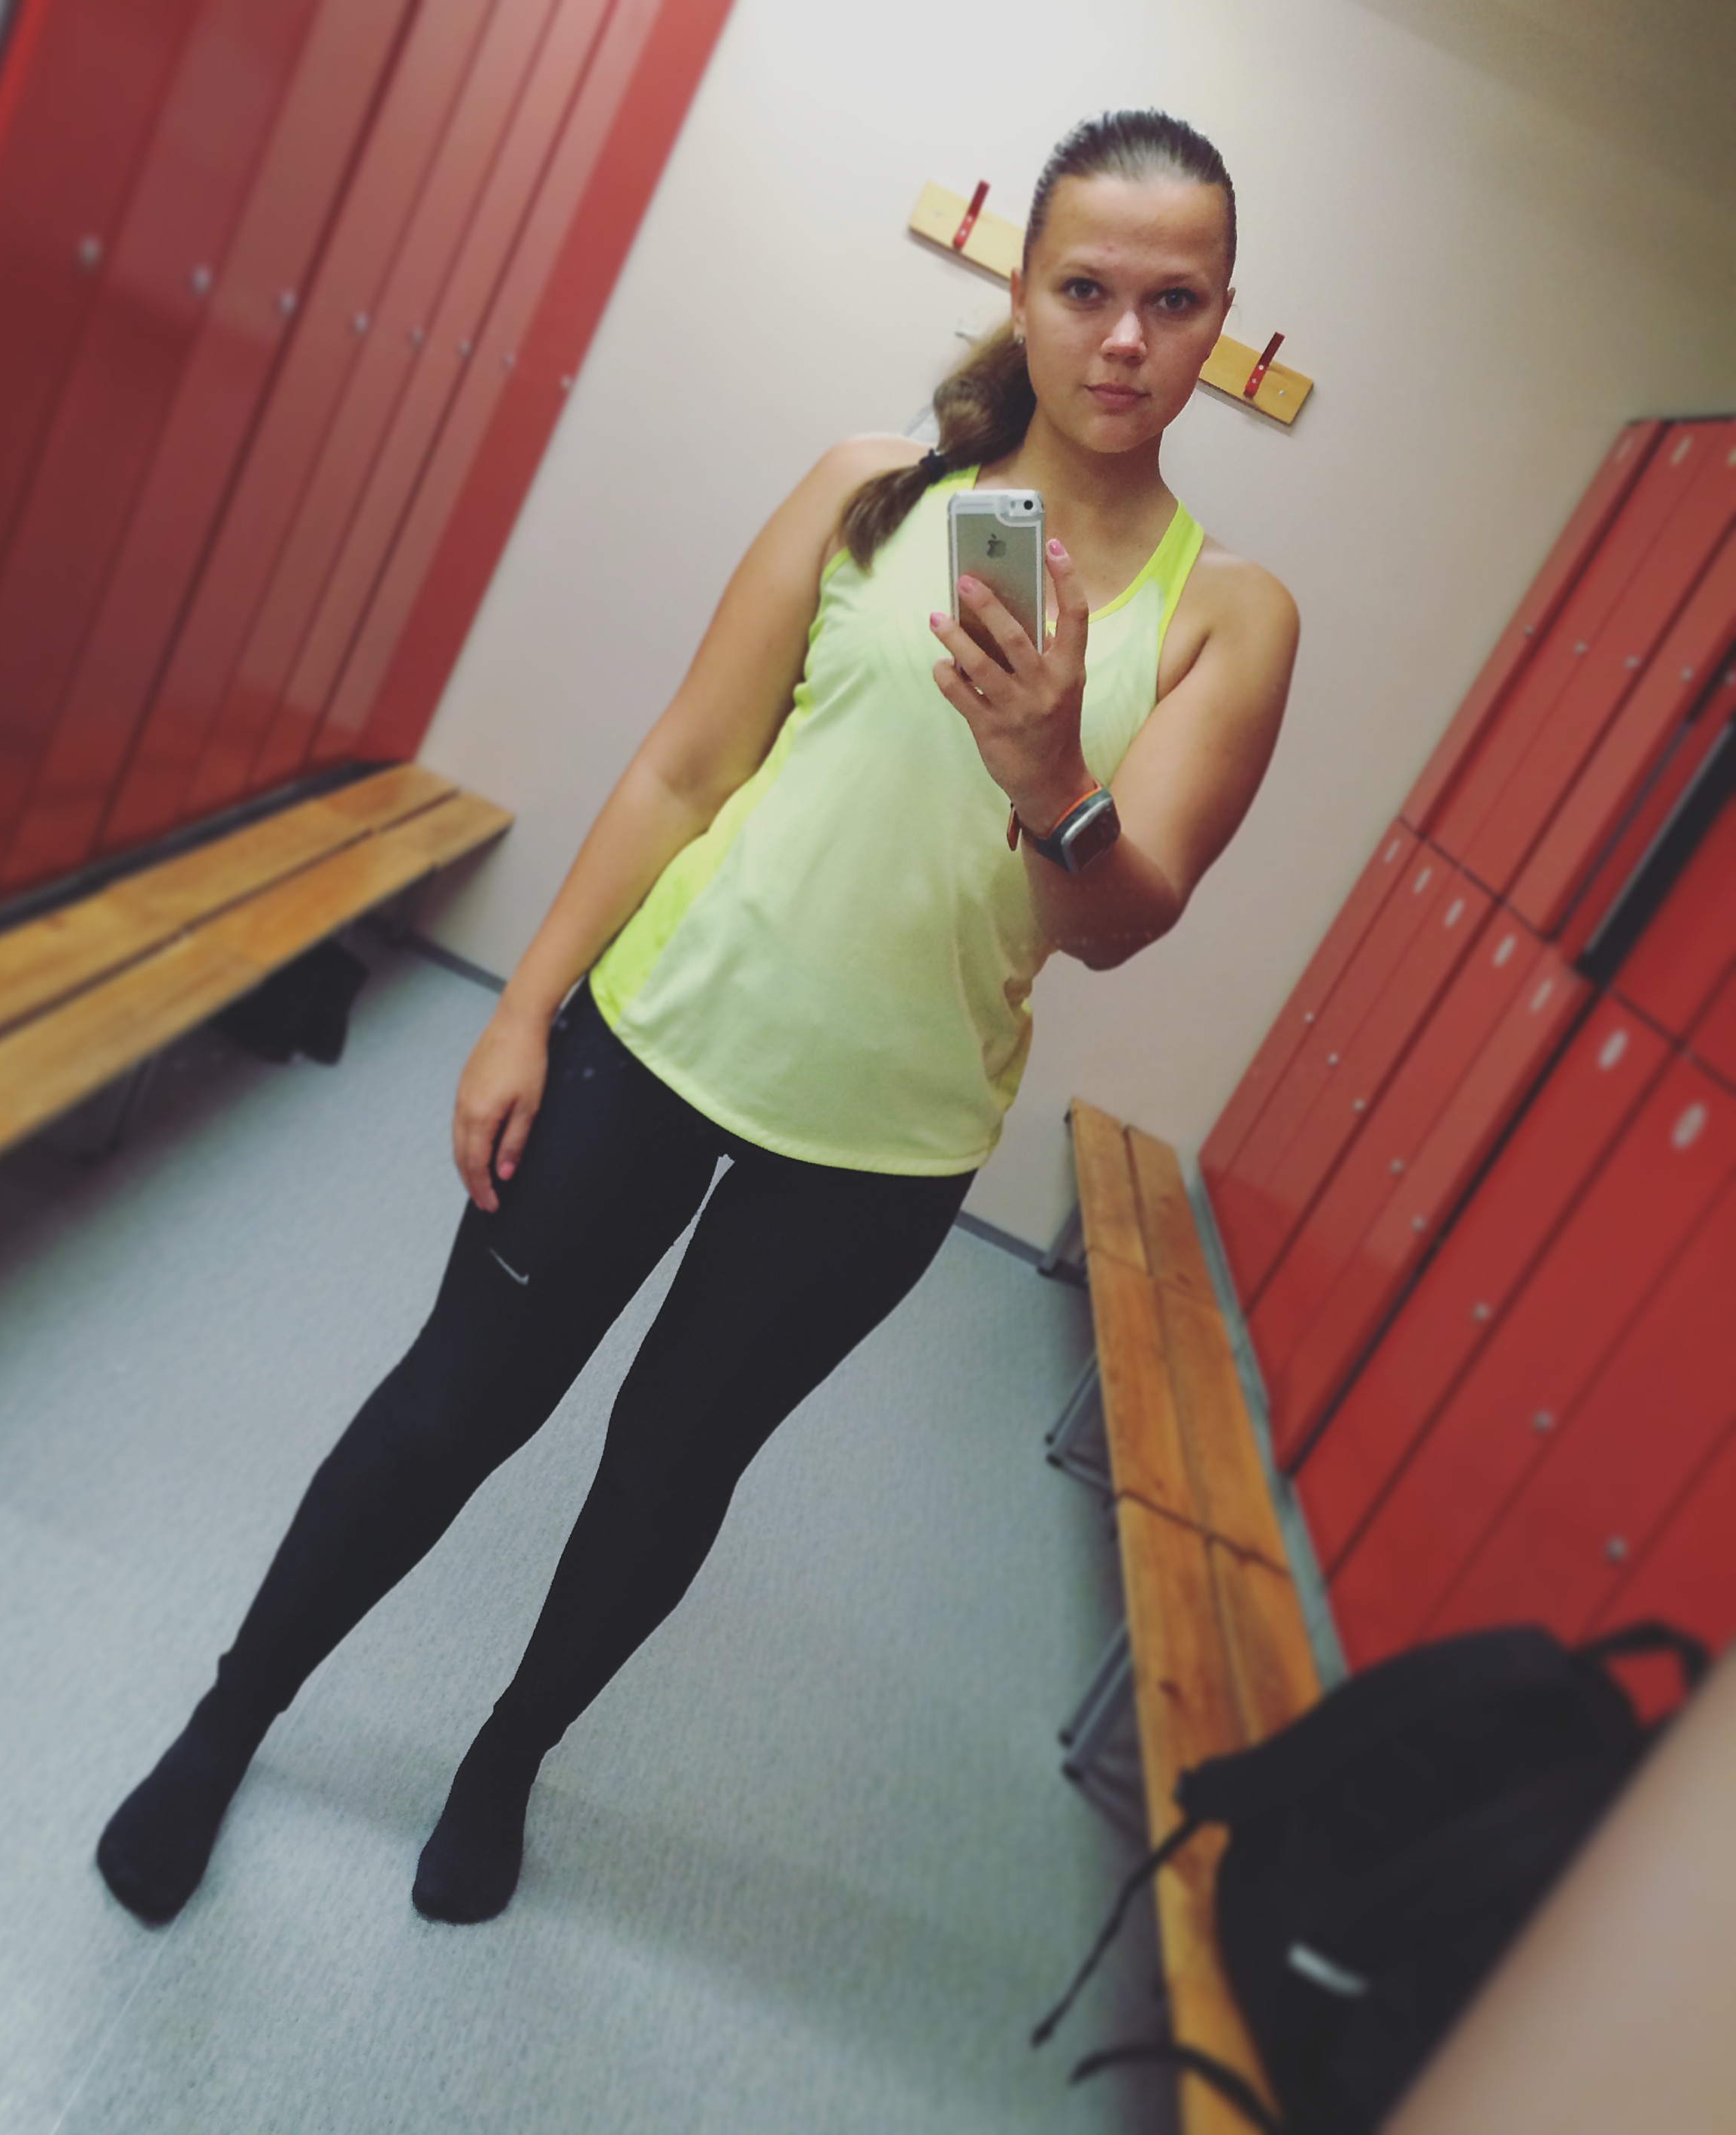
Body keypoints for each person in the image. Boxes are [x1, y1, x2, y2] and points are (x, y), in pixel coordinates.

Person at [95, 108, 1298, 1929]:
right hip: (657, 1037)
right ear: (1023, 293)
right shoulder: (872, 491)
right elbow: (681, 767)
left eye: (1175, 301)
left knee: (668, 1474)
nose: (1125, 339)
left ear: (1224, 318)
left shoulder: (1230, 618)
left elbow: (1122, 924)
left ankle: (506, 1762)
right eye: (1085, 290)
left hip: (885, 1139)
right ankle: (226, 1722)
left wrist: (1054, 772)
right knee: (449, 1409)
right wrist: (521, 1011)